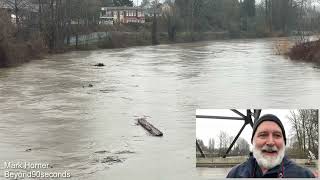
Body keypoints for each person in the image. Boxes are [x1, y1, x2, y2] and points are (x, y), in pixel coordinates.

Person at [227, 114, 315, 178]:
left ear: (284, 142)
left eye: (277, 135)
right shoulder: (234, 175)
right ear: (252, 141)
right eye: (263, 135)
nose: (270, 142)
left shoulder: (305, 176)